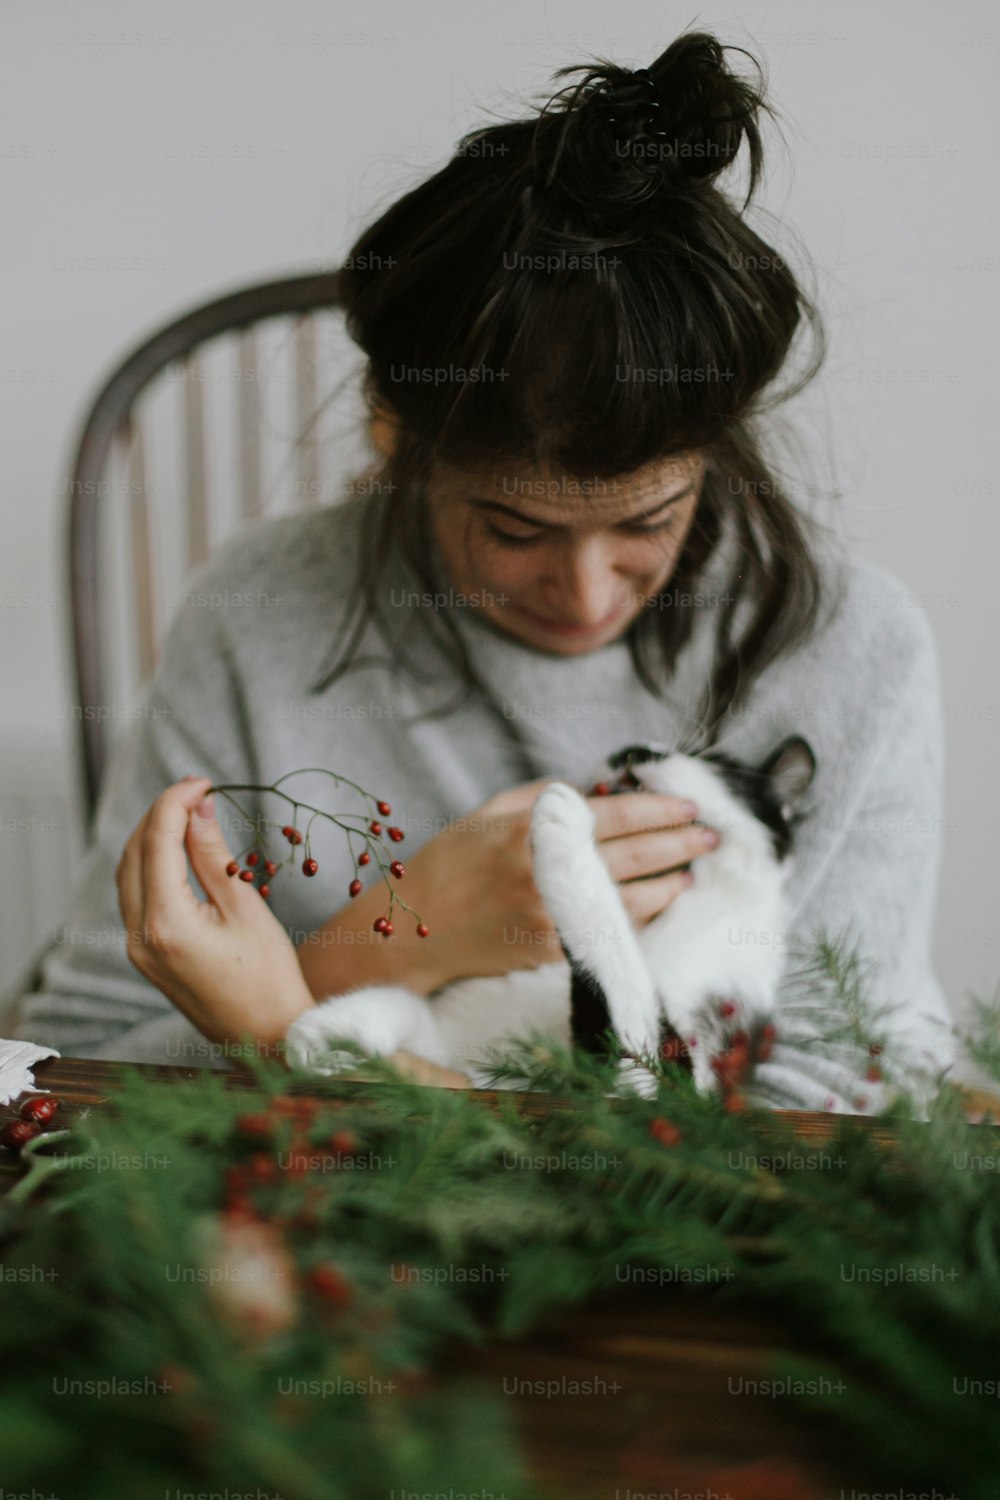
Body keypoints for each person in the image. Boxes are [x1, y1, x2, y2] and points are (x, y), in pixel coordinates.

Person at [7, 32, 956, 1106]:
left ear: (717, 458)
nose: (586, 593)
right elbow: (69, 1068)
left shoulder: (851, 647)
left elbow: (850, 1115)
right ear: (390, 437)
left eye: (649, 521)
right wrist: (392, 942)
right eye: (513, 530)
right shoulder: (260, 614)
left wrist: (292, 1019)